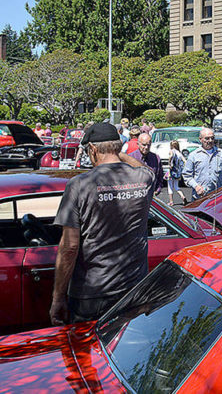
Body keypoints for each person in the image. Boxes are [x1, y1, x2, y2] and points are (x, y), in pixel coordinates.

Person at [50, 122, 155, 325]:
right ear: (118, 147)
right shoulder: (143, 178)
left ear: (93, 150)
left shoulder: (79, 185)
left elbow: (69, 247)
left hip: (92, 294)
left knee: (89, 352)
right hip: (134, 288)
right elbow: (145, 168)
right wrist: (119, 153)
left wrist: (58, 297)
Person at [183, 127, 222, 200]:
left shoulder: (221, 154)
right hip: (199, 197)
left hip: (218, 197)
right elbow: (187, 175)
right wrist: (196, 186)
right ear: (200, 139)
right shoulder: (194, 155)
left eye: (212, 138)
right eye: (207, 138)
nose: (210, 141)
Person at [128, 132, 166, 199]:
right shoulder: (130, 158)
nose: (146, 147)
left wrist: (157, 190)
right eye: (144, 145)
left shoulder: (156, 158)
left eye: (148, 145)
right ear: (138, 144)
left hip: (152, 198)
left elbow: (160, 177)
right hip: (134, 198)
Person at [167, 140, 187, 205]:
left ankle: (171, 201)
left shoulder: (171, 151)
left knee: (170, 186)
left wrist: (169, 163)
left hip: (171, 171)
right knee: (176, 187)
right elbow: (184, 161)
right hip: (177, 172)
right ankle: (183, 196)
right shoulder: (179, 153)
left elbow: (170, 157)